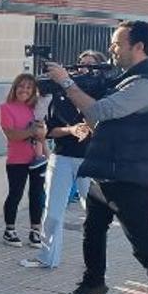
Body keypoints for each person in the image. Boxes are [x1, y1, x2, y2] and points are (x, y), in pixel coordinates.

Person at [49, 21, 148, 294]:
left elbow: (100, 111)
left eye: (118, 43)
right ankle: (94, 282)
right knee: (93, 228)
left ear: (139, 46)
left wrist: (65, 81)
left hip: (129, 177)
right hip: (109, 172)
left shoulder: (145, 83)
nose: (113, 49)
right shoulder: (127, 78)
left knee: (145, 247)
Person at [21, 51, 106, 269]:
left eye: (90, 66)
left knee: (95, 213)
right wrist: (71, 130)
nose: (84, 69)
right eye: (81, 64)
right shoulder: (61, 91)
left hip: (91, 159)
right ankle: (47, 258)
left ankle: (96, 265)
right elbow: (48, 130)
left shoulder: (101, 90)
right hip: (63, 157)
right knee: (53, 212)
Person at [0, 73, 47, 248]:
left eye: (28, 87)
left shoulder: (35, 108)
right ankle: (9, 230)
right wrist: (32, 131)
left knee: (37, 195)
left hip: (37, 158)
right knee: (15, 194)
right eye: (21, 86)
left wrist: (40, 137)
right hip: (16, 159)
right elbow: (11, 135)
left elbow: (42, 134)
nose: (24, 90)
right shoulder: (5, 108)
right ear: (15, 88)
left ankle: (35, 231)